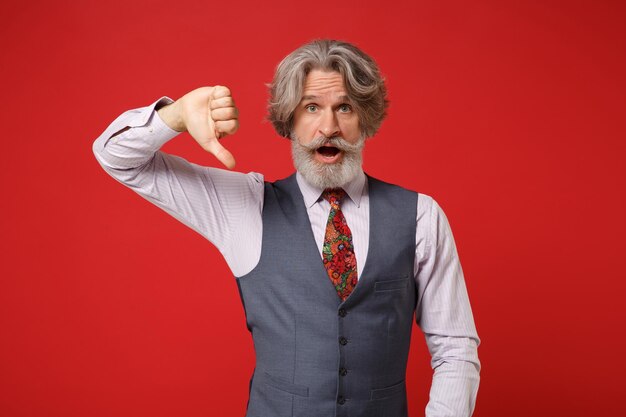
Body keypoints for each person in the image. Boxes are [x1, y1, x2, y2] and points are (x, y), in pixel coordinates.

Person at [93, 39, 480, 417]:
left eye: (343, 107)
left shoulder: (420, 216)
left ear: (365, 118)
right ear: (290, 119)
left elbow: (455, 348)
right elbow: (118, 159)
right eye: (311, 107)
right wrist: (174, 116)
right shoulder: (246, 206)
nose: (328, 127)